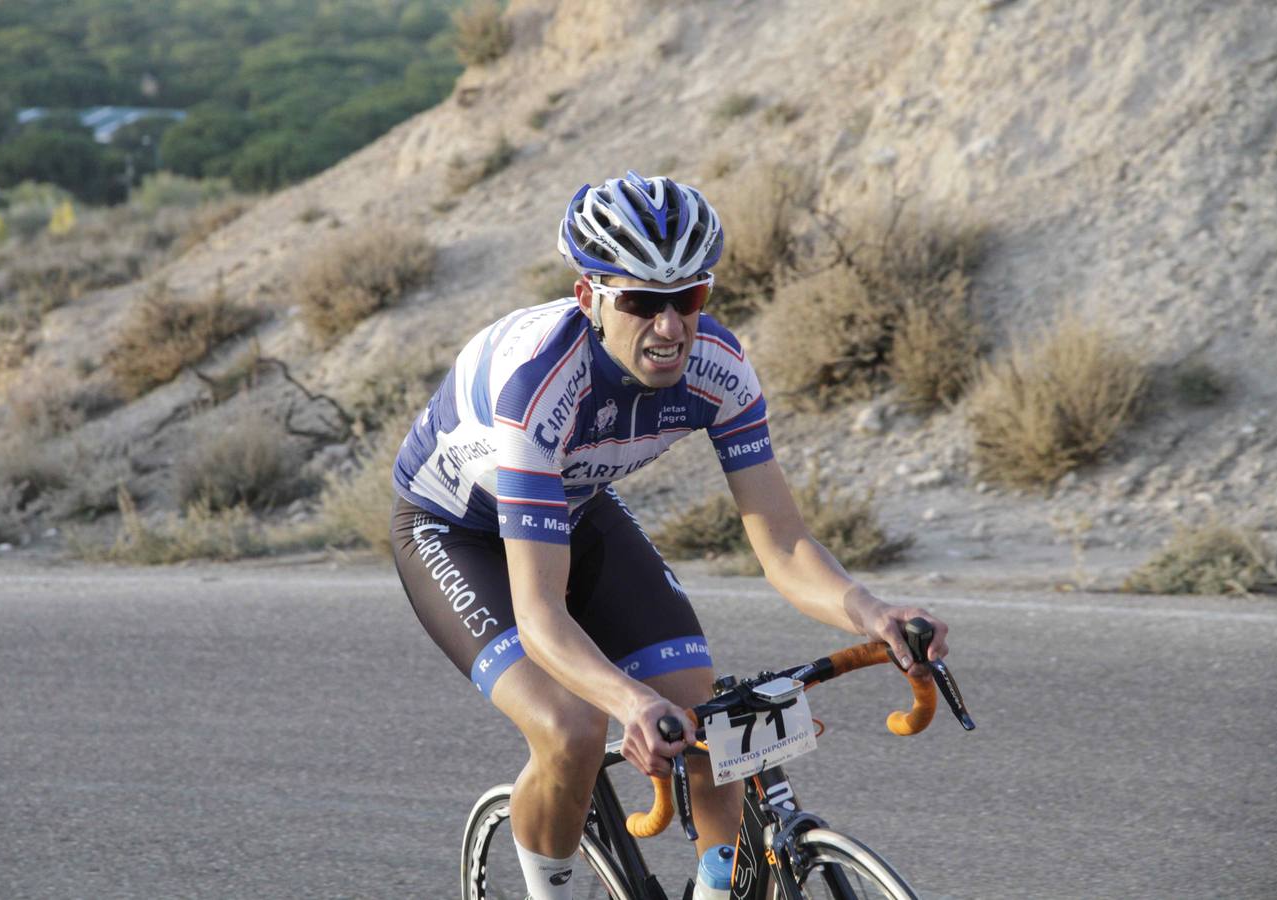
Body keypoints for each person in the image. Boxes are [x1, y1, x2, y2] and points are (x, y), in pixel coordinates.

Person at [390, 171, 950, 899]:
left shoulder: (719, 368)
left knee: (708, 721)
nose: (670, 326)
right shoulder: (539, 386)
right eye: (642, 302)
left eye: (688, 298)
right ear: (590, 296)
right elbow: (540, 615)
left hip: (575, 508)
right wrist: (628, 704)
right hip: (455, 529)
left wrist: (871, 613)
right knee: (573, 729)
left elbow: (781, 544)